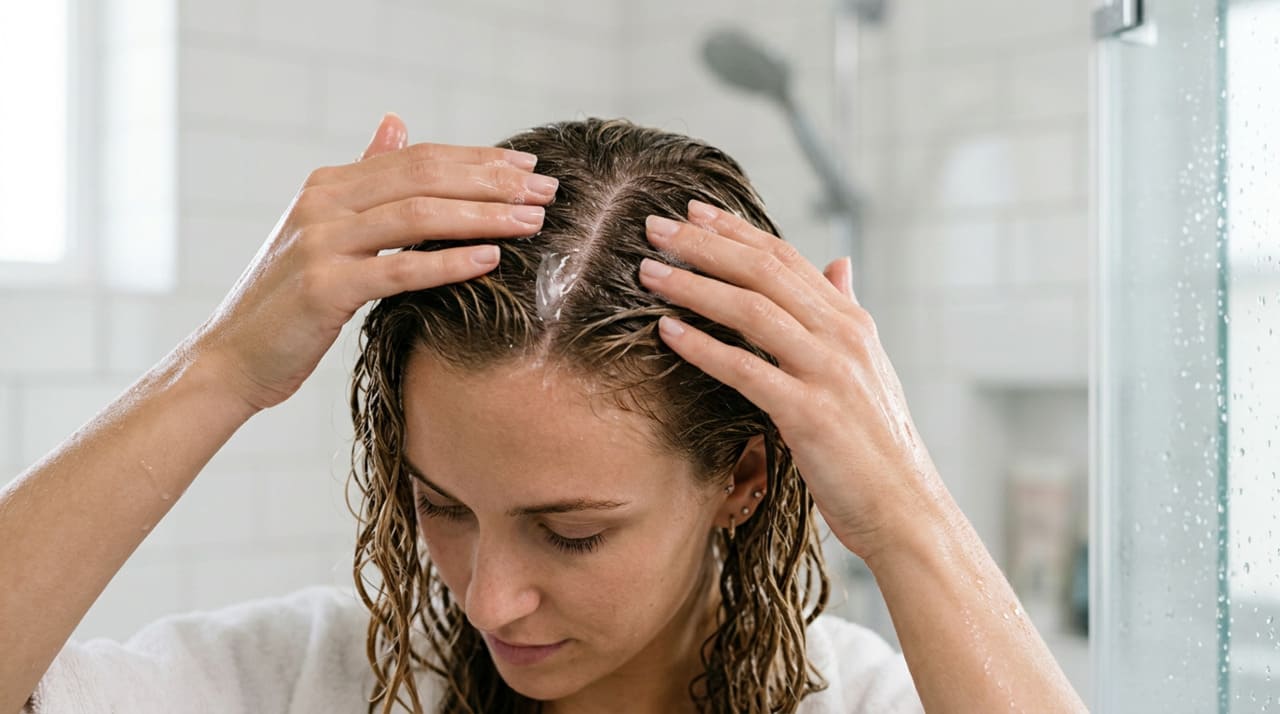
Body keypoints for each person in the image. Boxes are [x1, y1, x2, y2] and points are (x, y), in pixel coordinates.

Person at [0, 115, 1087, 714]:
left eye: (571, 533)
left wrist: (905, 515)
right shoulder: (313, 680)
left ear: (743, 479)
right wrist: (217, 370)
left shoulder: (853, 703)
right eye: (441, 506)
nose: (489, 597)